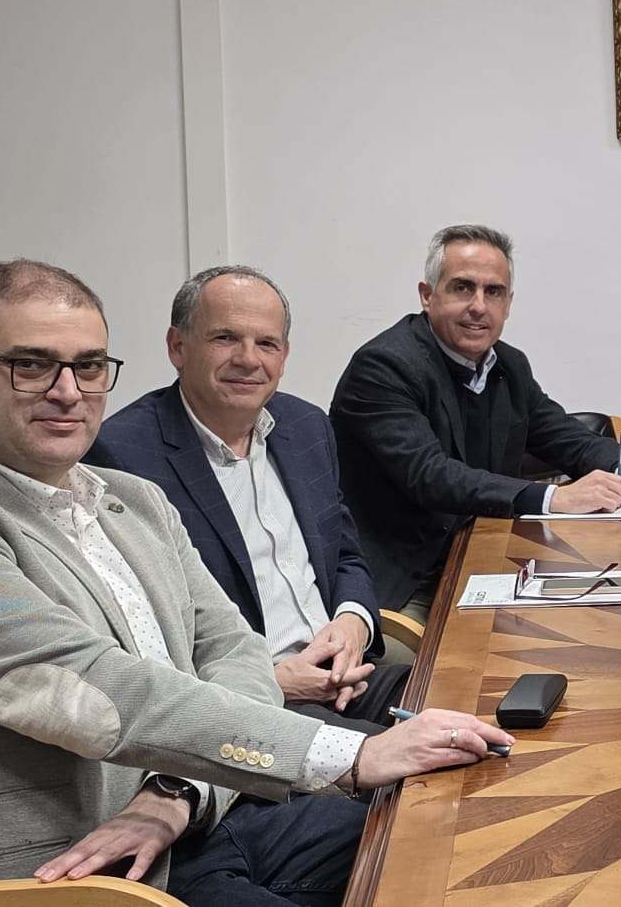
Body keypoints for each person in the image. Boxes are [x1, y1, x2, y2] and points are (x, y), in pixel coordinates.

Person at [0, 260, 511, 904]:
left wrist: (177, 791)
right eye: (32, 365)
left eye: (90, 366)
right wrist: (349, 757)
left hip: (198, 814)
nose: (68, 391)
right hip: (73, 872)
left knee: (474, 825)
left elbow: (234, 650)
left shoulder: (134, 500)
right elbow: (96, 691)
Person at [87, 266, 408, 735]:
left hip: (350, 675)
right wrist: (274, 681)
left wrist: (354, 624)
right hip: (250, 708)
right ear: (178, 347)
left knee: (477, 707)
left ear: (285, 354)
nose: (248, 359)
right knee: (422, 777)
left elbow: (346, 556)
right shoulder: (121, 455)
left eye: (267, 343)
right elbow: (145, 634)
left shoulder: (306, 426)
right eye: (225, 338)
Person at [332, 224, 621, 615]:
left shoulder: (508, 365)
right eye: (462, 288)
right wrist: (556, 497)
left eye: (494, 292)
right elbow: (431, 476)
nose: (479, 306)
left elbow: (564, 436)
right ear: (427, 295)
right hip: (406, 583)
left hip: (489, 559)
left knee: (606, 620)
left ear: (508, 304)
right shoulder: (385, 367)